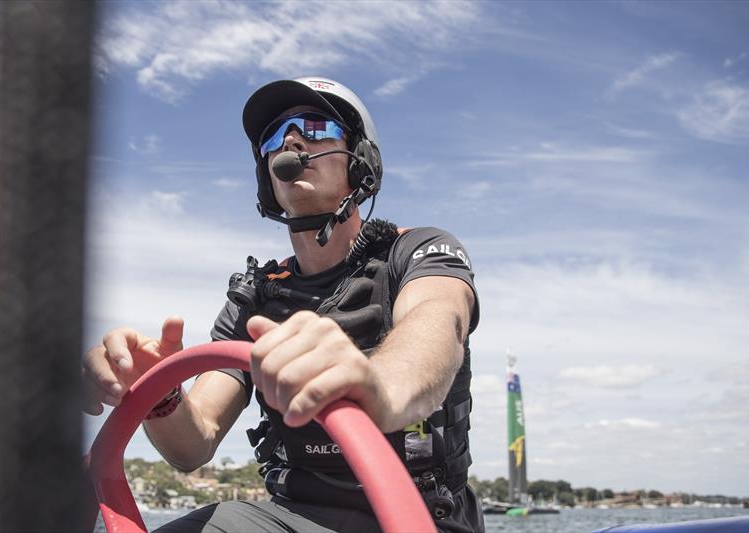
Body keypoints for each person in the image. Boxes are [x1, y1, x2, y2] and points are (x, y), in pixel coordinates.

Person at [82, 77, 484, 532]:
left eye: (315, 127)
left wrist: (376, 383)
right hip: (287, 517)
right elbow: (193, 445)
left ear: (361, 158)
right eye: (275, 136)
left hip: (419, 515)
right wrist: (158, 395)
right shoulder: (255, 294)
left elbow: (438, 323)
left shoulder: (419, 249)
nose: (291, 139)